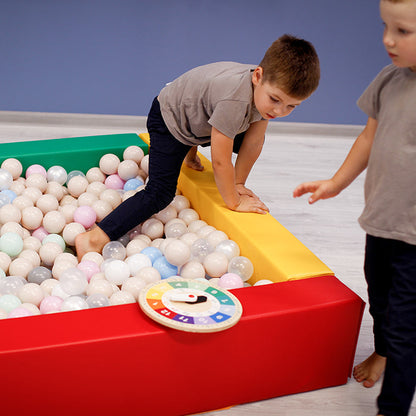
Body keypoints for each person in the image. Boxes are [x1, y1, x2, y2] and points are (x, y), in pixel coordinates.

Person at [75, 34, 320, 260]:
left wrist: (238, 184)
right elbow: (221, 159)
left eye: (291, 106)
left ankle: (190, 151)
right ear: (257, 76)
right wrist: (233, 201)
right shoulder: (234, 99)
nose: (279, 111)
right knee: (160, 193)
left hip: (197, 114)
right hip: (169, 118)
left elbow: (254, 141)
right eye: (275, 100)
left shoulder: (263, 93)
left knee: (243, 136)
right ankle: (94, 238)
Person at [293, 1, 416, 415]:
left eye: (403, 31)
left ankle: (392, 408)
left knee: (405, 328)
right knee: (380, 300)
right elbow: (368, 138)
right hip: (381, 223)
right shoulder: (389, 80)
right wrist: (335, 182)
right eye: (386, 26)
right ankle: (381, 352)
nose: (387, 39)